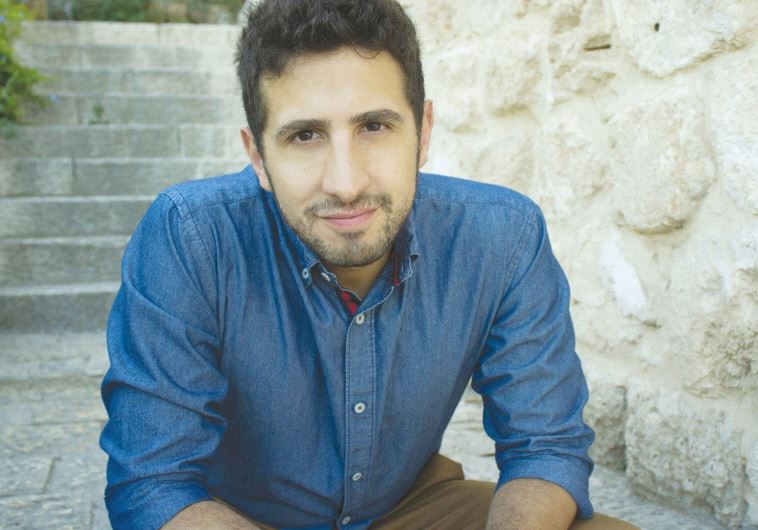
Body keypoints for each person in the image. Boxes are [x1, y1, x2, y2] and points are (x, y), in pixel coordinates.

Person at [100, 1, 637, 528]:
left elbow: (545, 446)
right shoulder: (192, 237)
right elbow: (154, 482)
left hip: (407, 505)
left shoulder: (503, 236)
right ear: (258, 156)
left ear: (423, 132)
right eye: (305, 135)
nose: (346, 182)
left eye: (374, 126)